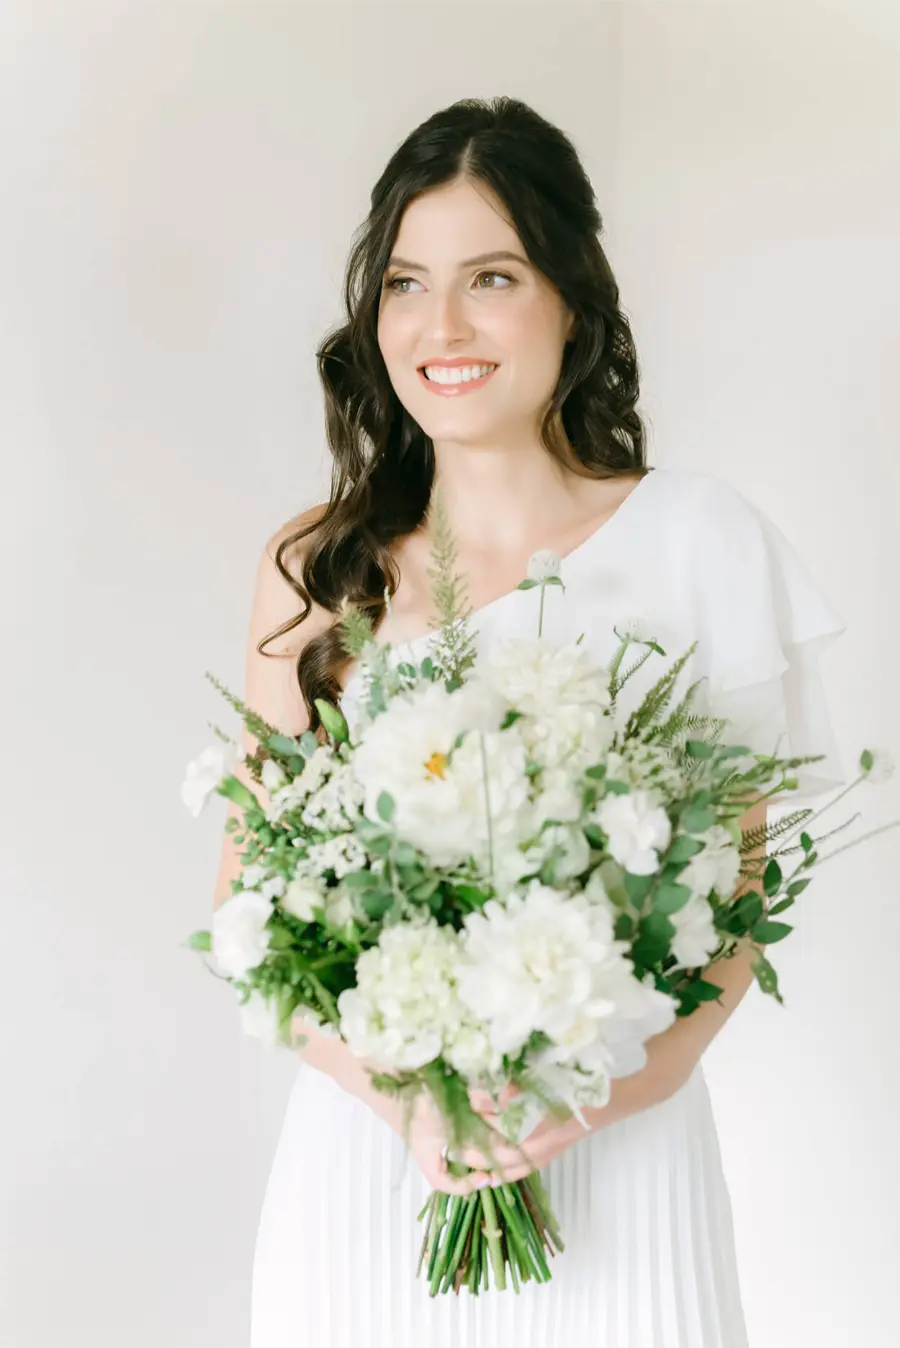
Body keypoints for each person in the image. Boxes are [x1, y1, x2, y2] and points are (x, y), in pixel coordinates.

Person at [213, 97, 847, 1347]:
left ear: (573, 301)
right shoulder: (314, 566)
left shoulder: (698, 540)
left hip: (622, 1160)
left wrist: (600, 1099)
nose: (439, 325)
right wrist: (413, 1104)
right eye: (405, 281)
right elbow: (247, 915)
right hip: (366, 1176)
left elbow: (736, 908)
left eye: (491, 276)